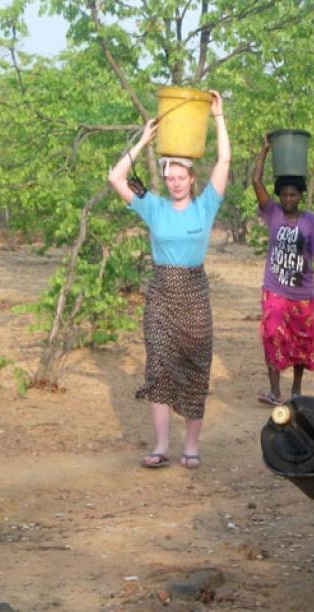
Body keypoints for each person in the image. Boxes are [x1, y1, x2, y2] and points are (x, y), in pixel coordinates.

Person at [105, 91, 230, 470]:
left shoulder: (206, 205)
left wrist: (218, 117)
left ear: (192, 179)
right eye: (170, 177)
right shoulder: (153, 206)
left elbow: (224, 159)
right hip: (160, 292)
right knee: (158, 365)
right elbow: (115, 177)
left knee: (195, 366)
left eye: (181, 177)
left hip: (193, 292)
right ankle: (160, 446)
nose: (175, 183)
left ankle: (190, 447)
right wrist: (144, 139)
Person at [251, 134, 314, 405]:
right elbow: (256, 182)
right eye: (284, 194)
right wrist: (264, 151)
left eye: (292, 194)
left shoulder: (311, 221)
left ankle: (296, 390)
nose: (287, 198)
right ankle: (275, 391)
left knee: (301, 341)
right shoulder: (272, 212)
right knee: (272, 335)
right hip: (275, 290)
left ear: (300, 196)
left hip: (303, 292)